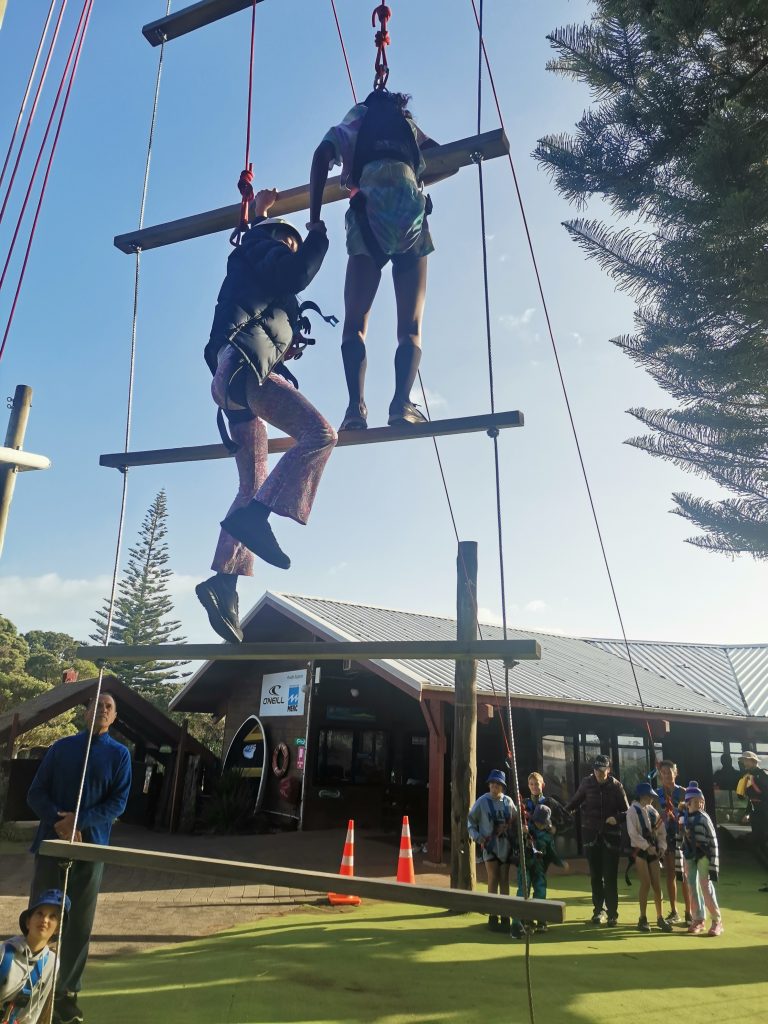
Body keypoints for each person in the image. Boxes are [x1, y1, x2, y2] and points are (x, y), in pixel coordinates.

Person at [195, 188, 336, 642]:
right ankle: (257, 518)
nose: (292, 248)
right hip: (243, 372)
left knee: (251, 484)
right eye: (287, 241)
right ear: (275, 239)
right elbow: (296, 273)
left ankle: (223, 583)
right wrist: (316, 235)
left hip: (232, 382)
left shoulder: (253, 261)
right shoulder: (262, 250)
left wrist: (257, 211)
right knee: (320, 434)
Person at [309, 89, 440, 431]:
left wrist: (315, 219)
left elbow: (321, 154)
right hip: (409, 212)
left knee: (355, 323)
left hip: (368, 213)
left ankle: (355, 408)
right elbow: (446, 160)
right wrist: (418, 180)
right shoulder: (407, 126)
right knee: (410, 328)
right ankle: (401, 404)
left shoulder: (355, 121)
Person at [26, 692, 131, 1024]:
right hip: (51, 845)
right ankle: (29, 983)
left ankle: (66, 993)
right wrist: (59, 821)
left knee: (78, 923)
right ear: (85, 712)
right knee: (41, 916)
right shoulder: (61, 748)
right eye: (97, 705)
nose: (102, 710)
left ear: (114, 717)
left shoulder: (120, 755)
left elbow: (118, 803)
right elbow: (35, 793)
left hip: (90, 848)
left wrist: (80, 822)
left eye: (108, 707)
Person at [565, 753, 629, 926]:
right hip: (591, 834)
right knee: (595, 876)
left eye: (602, 770)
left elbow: (627, 811)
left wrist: (616, 818)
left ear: (608, 769)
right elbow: (574, 803)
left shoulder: (616, 786)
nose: (598, 773)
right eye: (596, 770)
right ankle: (598, 911)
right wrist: (562, 813)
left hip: (611, 836)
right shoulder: (587, 783)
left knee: (610, 876)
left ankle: (612, 914)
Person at [1, 889, 70, 1024]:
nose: (44, 920)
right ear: (28, 922)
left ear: (57, 929)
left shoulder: (52, 962)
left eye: (52, 917)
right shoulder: (4, 953)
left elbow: (34, 1014)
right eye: (39, 914)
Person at [467, 769, 519, 933]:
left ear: (502, 787)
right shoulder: (482, 802)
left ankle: (505, 915)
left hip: (505, 847)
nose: (494, 787)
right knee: (493, 878)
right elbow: (470, 821)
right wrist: (477, 837)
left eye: (498, 784)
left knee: (504, 879)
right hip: (490, 847)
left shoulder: (508, 802)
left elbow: (516, 820)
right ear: (489, 785)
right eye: (492, 784)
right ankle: (493, 915)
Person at [511, 803, 569, 938]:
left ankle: (540, 919)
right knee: (523, 891)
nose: (539, 824)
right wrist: (521, 832)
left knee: (540, 891)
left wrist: (560, 863)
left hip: (539, 867)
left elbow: (552, 854)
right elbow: (514, 841)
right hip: (525, 864)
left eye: (542, 822)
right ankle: (517, 923)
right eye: (537, 821)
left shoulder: (548, 836)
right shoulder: (526, 828)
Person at [677, 781, 723, 936]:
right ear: (688, 803)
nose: (700, 804)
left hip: (704, 855)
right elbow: (679, 840)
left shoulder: (704, 818)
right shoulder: (682, 818)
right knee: (692, 886)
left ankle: (717, 921)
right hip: (689, 855)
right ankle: (698, 919)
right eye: (696, 802)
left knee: (705, 886)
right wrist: (679, 864)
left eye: (701, 802)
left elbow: (713, 841)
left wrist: (714, 865)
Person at [627, 782, 673, 933]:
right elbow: (633, 834)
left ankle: (660, 918)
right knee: (646, 884)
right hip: (641, 851)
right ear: (642, 796)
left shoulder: (652, 811)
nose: (652, 798)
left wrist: (662, 847)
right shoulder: (632, 811)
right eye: (649, 796)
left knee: (657, 885)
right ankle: (642, 918)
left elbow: (662, 832)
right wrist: (647, 847)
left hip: (654, 852)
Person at [655, 759, 692, 924]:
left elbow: (693, 813)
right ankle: (674, 911)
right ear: (660, 775)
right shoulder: (656, 795)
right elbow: (654, 816)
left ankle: (689, 912)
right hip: (666, 837)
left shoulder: (684, 793)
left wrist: (677, 814)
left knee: (683, 874)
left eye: (669, 772)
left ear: (675, 773)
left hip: (682, 837)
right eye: (663, 773)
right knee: (670, 873)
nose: (666, 776)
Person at [736, 751, 768, 868]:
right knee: (757, 845)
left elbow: (764, 795)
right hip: (756, 813)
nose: (744, 763)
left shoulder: (763, 774)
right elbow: (751, 799)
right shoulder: (747, 777)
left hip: (764, 812)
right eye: (743, 760)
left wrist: (753, 782)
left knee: (760, 843)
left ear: (754, 761)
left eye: (746, 760)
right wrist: (747, 813)